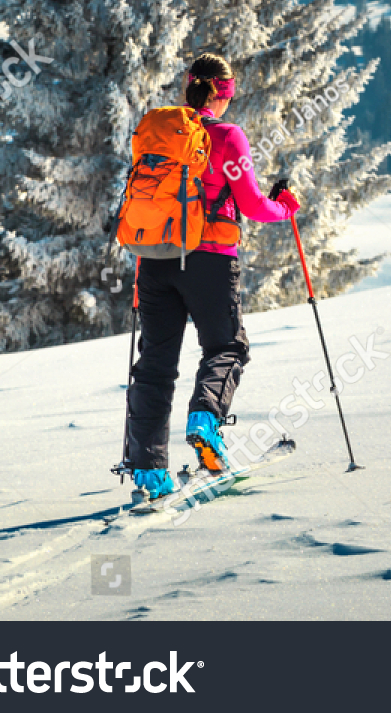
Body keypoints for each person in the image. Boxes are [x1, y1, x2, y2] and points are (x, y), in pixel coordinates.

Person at [127, 52, 299, 502]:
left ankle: (148, 473)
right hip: (209, 258)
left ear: (189, 86)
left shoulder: (158, 135)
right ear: (223, 93)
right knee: (225, 347)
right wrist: (286, 206)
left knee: (154, 366)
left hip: (154, 259)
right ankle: (205, 424)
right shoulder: (226, 136)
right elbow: (253, 204)